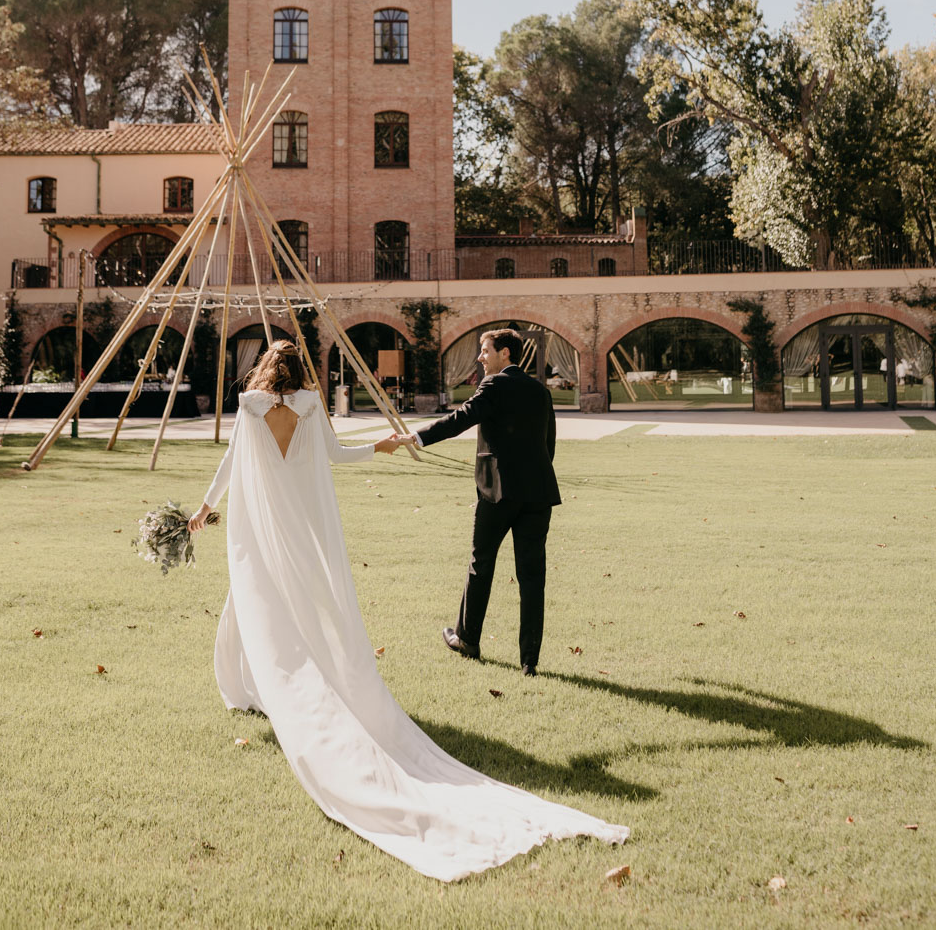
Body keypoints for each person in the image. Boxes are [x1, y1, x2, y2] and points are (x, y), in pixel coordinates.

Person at [186, 339, 627, 881]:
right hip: (308, 530)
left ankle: (260, 684)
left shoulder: (250, 409)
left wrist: (206, 507)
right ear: (301, 370)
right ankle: (522, 658)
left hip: (263, 528)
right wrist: (385, 447)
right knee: (526, 576)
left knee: (263, 602)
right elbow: (337, 456)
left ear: (262, 369)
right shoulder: (309, 406)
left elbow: (232, 462)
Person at [396, 327, 559, 677]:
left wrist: (419, 437)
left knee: (480, 564)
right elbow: (549, 446)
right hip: (538, 494)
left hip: (497, 493)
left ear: (506, 354)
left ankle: (468, 640)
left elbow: (461, 418)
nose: (480, 357)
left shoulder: (495, 385)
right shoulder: (540, 391)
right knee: (533, 577)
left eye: (485, 350)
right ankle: (529, 660)